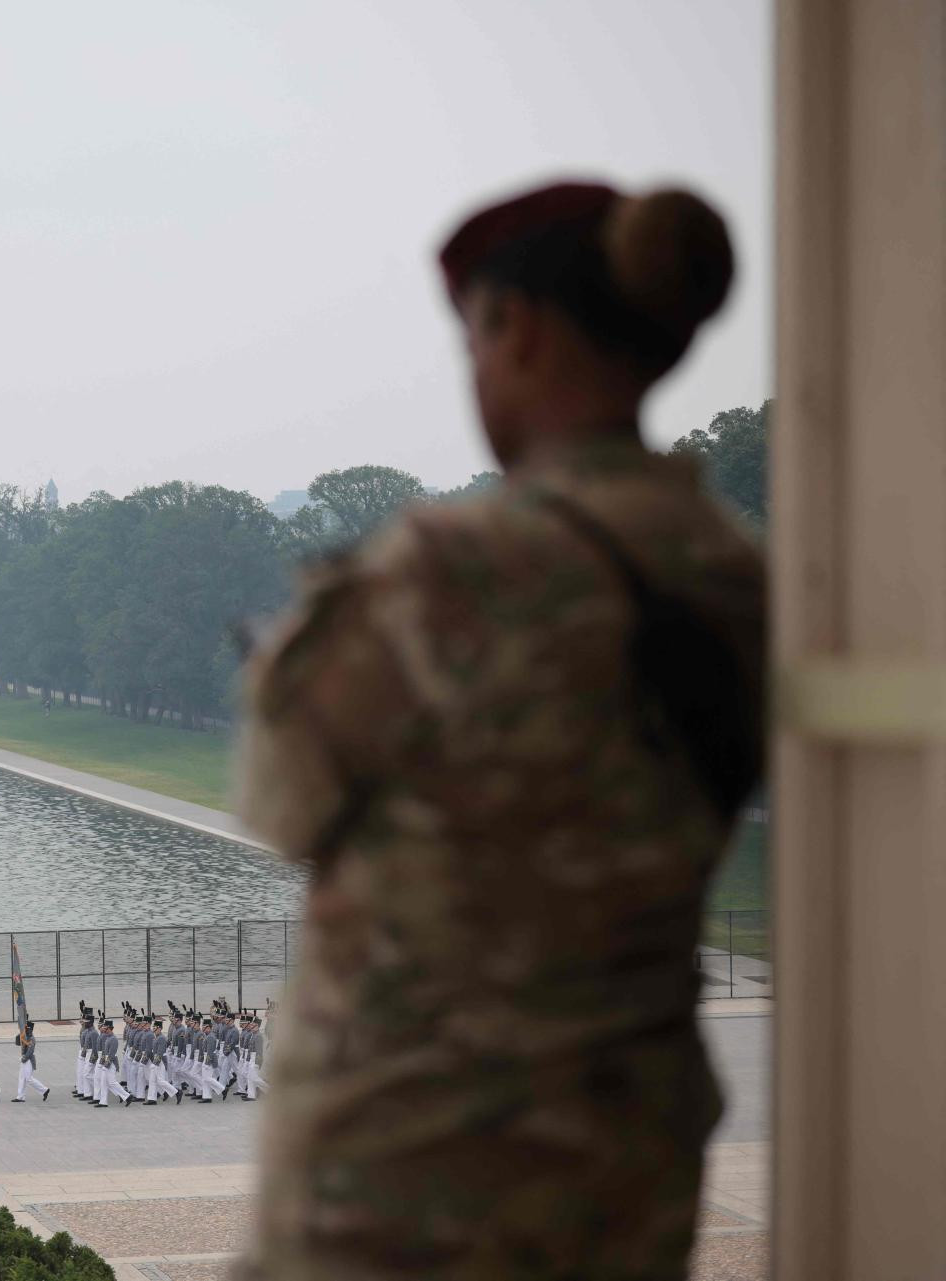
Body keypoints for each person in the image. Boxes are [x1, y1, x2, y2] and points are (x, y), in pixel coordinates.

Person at [237, 180, 763, 1280]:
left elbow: (284, 807)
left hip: (405, 1174)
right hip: (626, 1159)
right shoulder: (737, 573)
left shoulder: (454, 566)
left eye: (471, 341)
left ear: (516, 330)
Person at [12, 1021, 49, 1102]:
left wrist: (24, 1058)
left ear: (30, 1029)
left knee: (28, 1079)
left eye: (27, 1029)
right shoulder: (25, 1036)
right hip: (24, 1059)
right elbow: (17, 1042)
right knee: (22, 1078)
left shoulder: (32, 1038)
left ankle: (44, 1090)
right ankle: (20, 1097)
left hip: (28, 1060)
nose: (26, 1030)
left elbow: (30, 1051)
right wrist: (21, 1033)